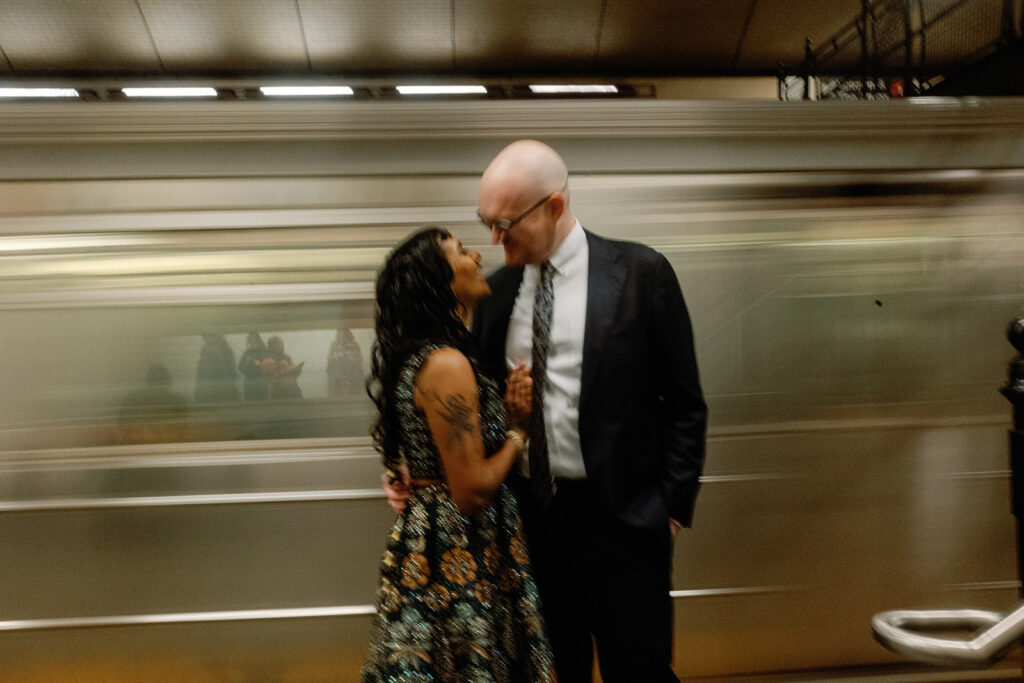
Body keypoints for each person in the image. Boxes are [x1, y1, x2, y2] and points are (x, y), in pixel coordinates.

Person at [472, 140, 707, 682]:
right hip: (534, 525)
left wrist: (670, 510)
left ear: (554, 206)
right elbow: (470, 401)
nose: (495, 239)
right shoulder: (494, 293)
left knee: (640, 671)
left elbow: (685, 402)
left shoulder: (642, 273)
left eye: (505, 224)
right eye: (487, 223)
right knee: (553, 672)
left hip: (626, 524)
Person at [361, 227, 556, 683]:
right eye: (461, 252)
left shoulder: (425, 357)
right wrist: (518, 431)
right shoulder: (447, 364)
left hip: (433, 546)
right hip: (459, 549)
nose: (477, 256)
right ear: (439, 281)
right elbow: (472, 491)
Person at [260, 335, 304, 400]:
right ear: (272, 346)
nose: (283, 346)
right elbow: (274, 377)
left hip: (293, 391)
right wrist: (289, 370)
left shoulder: (287, 358)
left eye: (282, 344)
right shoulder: (266, 361)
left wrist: (297, 369)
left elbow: (294, 374)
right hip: (277, 393)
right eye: (280, 344)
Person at [327, 327, 364, 399]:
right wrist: (337, 356)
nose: (342, 336)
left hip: (352, 373)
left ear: (348, 334)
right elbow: (330, 360)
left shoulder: (354, 345)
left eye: (344, 334)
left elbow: (359, 358)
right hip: (338, 375)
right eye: (340, 334)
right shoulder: (334, 345)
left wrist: (349, 355)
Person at [238, 332, 268, 401]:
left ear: (258, 340)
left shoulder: (265, 351)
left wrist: (260, 364)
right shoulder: (247, 353)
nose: (252, 341)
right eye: (251, 339)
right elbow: (240, 367)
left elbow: (270, 367)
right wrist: (246, 363)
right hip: (249, 383)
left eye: (254, 339)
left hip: (261, 383)